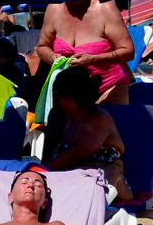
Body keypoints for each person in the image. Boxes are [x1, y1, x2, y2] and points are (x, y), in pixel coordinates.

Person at [45, 65, 129, 200]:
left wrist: (41, 170)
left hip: (108, 183)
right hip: (73, 180)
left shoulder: (98, 120)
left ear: (68, 97)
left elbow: (75, 154)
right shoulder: (62, 116)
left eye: (56, 94)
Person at [35, 0, 135, 105]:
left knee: (103, 119)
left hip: (109, 86)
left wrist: (94, 59)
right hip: (69, 91)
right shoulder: (54, 8)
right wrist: (52, 57)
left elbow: (128, 52)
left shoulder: (105, 8)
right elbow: (42, 47)